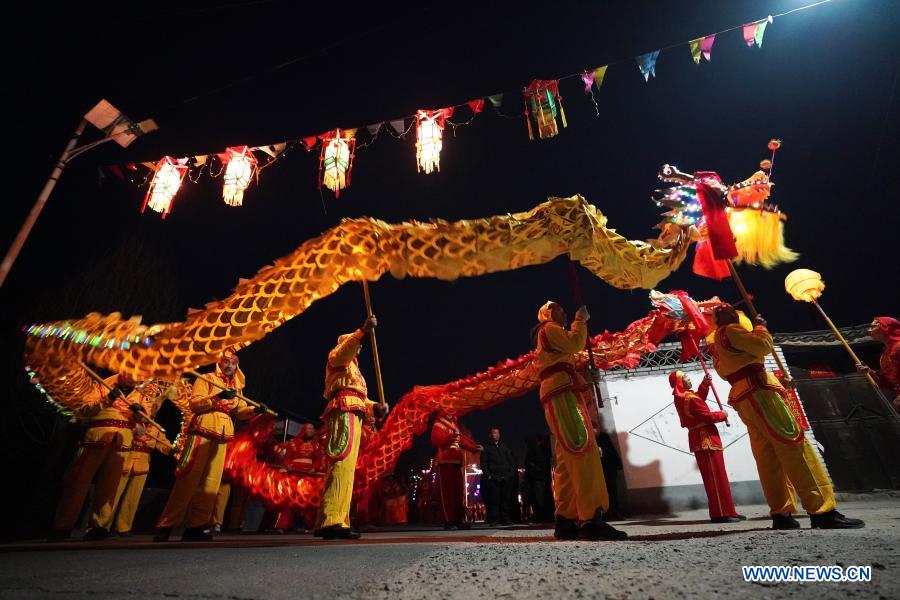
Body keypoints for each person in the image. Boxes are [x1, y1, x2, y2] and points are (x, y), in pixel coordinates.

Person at [711, 304, 864, 530]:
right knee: (794, 445)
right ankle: (822, 510)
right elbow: (763, 346)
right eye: (723, 309)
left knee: (768, 456)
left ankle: (781, 514)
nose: (728, 309)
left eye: (729, 307)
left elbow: (735, 368)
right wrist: (762, 328)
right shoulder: (732, 330)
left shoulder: (717, 344)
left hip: (745, 396)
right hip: (760, 394)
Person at [534, 301, 626, 540]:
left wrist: (586, 379)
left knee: (567, 456)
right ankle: (591, 518)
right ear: (546, 314)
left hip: (561, 392)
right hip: (561, 394)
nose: (562, 310)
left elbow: (565, 364)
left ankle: (566, 518)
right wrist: (580, 321)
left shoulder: (554, 342)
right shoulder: (550, 328)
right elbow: (576, 342)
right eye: (557, 308)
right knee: (583, 449)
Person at [154, 351, 263, 541]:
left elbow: (239, 412)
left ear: (237, 367)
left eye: (233, 363)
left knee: (211, 483)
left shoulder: (237, 388)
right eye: (226, 362)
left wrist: (254, 410)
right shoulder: (206, 379)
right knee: (188, 478)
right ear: (220, 363)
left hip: (222, 436)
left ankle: (197, 526)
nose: (229, 365)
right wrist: (217, 397)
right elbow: (194, 404)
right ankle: (167, 525)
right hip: (201, 431)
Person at [49, 373, 153, 541]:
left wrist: (139, 413)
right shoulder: (101, 386)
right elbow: (83, 411)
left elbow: (145, 421)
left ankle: (100, 526)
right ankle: (63, 526)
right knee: (78, 482)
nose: (135, 377)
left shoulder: (140, 393)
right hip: (97, 438)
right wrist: (107, 400)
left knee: (111, 486)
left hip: (121, 442)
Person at [313, 315, 389, 540]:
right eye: (355, 346)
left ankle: (338, 519)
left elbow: (361, 398)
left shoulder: (355, 372)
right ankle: (330, 520)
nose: (358, 350)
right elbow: (343, 354)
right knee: (341, 461)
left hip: (355, 412)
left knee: (347, 469)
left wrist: (376, 408)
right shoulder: (337, 359)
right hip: (343, 410)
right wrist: (361, 332)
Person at [669, 370, 744, 523]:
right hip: (706, 439)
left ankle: (728, 511)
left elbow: (698, 401)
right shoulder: (690, 399)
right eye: (686, 378)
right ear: (680, 383)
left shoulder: (683, 397)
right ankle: (721, 514)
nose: (689, 379)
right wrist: (722, 414)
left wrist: (704, 384)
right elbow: (706, 415)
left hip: (701, 438)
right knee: (716, 478)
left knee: (717, 477)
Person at [112, 391, 173, 536]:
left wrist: (173, 449)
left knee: (132, 499)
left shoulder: (156, 427)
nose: (152, 410)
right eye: (150, 407)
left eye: (155, 408)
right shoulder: (129, 421)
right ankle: (101, 526)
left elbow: (163, 444)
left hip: (142, 464)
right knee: (112, 494)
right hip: (124, 460)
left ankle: (123, 527)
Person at [431, 414, 482, 529]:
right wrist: (451, 436)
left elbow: (462, 440)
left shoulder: (454, 424)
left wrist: (474, 447)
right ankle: (449, 521)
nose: (451, 410)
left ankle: (459, 520)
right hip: (444, 461)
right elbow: (436, 441)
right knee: (447, 494)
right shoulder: (438, 424)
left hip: (457, 461)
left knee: (459, 493)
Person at [272, 423, 323, 532]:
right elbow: (287, 457)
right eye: (308, 428)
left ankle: (302, 525)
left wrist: (314, 468)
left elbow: (319, 460)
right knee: (290, 499)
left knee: (305, 500)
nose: (310, 430)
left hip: (308, 476)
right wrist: (289, 465)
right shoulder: (293, 443)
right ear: (303, 429)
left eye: (312, 428)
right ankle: (282, 525)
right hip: (294, 474)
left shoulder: (317, 445)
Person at [857, 317, 900, 411]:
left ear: (886, 327)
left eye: (873, 327)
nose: (869, 330)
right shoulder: (883, 357)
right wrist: (870, 373)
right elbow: (889, 383)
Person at [480, 426, 516, 526]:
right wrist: (489, 476)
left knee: (505, 500)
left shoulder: (504, 446)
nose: (496, 435)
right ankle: (494, 520)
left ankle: (505, 519)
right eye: (494, 433)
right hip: (494, 478)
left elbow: (511, 461)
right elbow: (484, 464)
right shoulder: (486, 448)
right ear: (490, 435)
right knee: (494, 500)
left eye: (497, 433)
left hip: (506, 478)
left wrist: (510, 474)